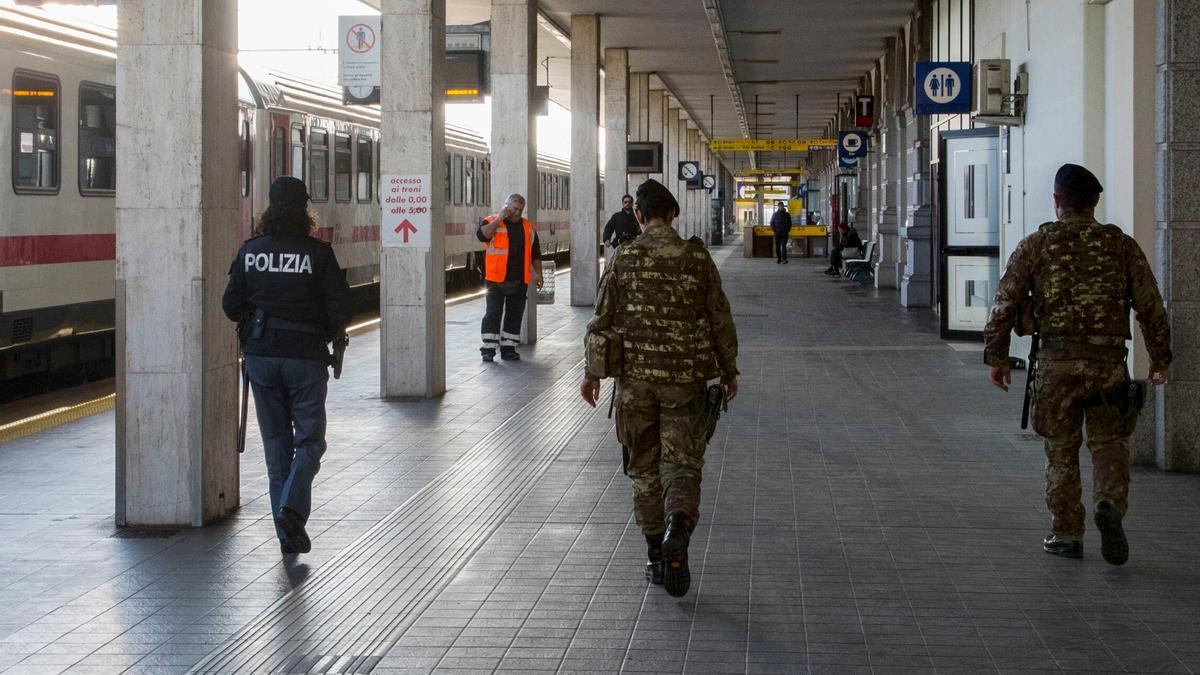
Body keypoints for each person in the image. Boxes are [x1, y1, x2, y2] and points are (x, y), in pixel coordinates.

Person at [983, 163, 1171, 566]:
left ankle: (1066, 533)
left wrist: (997, 358)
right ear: (1095, 202)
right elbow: (1151, 307)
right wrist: (1159, 358)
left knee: (1060, 451)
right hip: (1108, 364)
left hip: (1055, 365)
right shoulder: (1120, 245)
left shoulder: (1036, 245)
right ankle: (1110, 506)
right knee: (1110, 444)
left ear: (1056, 202)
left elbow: (1004, 304)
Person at [580, 178, 739, 597]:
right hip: (684, 384)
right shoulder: (697, 258)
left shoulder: (623, 258)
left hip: (636, 387)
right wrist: (729, 371)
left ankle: (655, 555)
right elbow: (720, 318)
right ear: (673, 214)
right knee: (682, 466)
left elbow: (602, 320)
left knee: (644, 471)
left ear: (638, 215)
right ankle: (677, 528)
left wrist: (591, 374)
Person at [222, 176, 351, 556]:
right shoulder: (318, 253)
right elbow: (340, 309)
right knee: (309, 441)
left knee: (276, 446)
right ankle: (292, 511)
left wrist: (257, 323)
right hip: (306, 360)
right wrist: (324, 331)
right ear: (305, 212)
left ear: (268, 210)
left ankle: (286, 533)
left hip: (261, 359)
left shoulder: (251, 251)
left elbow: (231, 305)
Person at [478, 193, 544, 362]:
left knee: (515, 315)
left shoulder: (528, 227)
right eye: (514, 209)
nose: (516, 213)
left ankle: (508, 348)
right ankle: (488, 349)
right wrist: (499, 218)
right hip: (495, 279)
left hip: (520, 279)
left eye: (520, 210)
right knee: (493, 312)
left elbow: (536, 254)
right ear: (506, 206)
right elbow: (482, 235)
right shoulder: (491, 221)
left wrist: (539, 274)